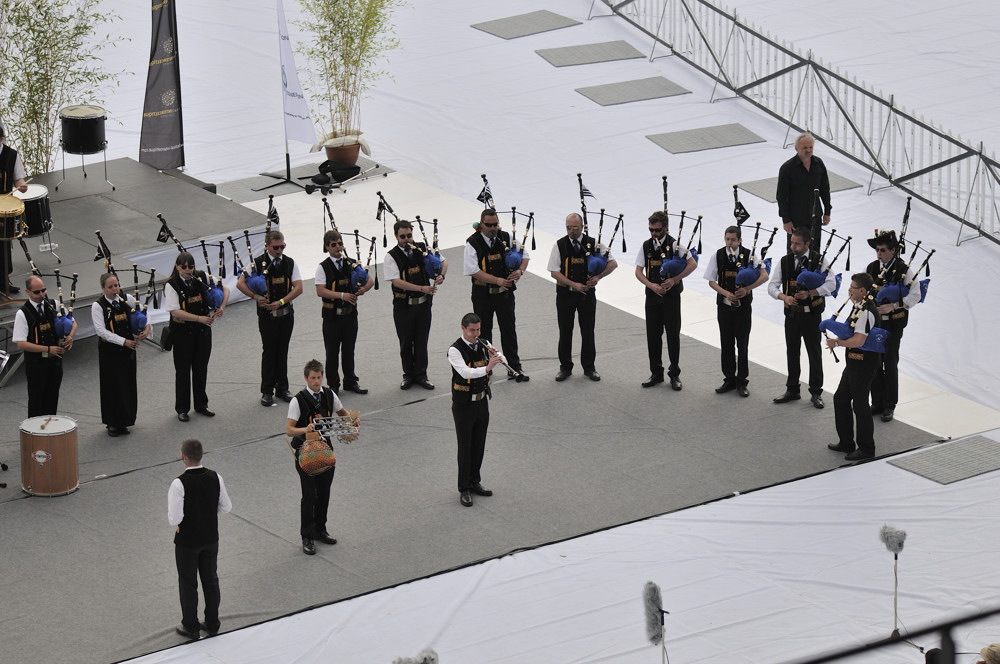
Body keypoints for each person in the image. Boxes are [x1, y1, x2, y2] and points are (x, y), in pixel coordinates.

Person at [286, 359, 360, 555]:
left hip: (325, 450)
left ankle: (320, 529)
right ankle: (307, 536)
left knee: (324, 492)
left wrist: (352, 420)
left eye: (319, 377)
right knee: (309, 495)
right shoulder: (297, 400)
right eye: (313, 378)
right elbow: (289, 430)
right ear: (306, 378)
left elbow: (343, 413)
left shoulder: (329, 394)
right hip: (305, 453)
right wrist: (305, 428)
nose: (317, 381)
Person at [167, 438, 233, 639]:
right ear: (201, 455)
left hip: (188, 541)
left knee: (188, 583)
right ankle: (213, 623)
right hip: (211, 537)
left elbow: (174, 519)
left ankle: (191, 626)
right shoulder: (216, 477)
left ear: (184, 457)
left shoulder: (179, 483)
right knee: (211, 579)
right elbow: (226, 507)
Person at [768, 226, 835, 409]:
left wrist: (811, 293)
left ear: (807, 243)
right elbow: (772, 286)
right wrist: (784, 297)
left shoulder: (819, 260)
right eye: (792, 243)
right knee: (792, 351)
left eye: (797, 244)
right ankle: (792, 389)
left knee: (814, 352)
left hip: (812, 315)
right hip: (792, 314)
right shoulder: (785, 261)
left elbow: (831, 284)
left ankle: (816, 391)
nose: (793, 247)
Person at [548, 212, 617, 382]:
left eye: (574, 227)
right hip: (565, 294)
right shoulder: (559, 245)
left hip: (587, 295)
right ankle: (565, 367)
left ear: (582, 227)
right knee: (565, 331)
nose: (571, 231)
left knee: (587, 331)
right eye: (568, 228)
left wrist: (599, 276)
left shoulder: (593, 244)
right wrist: (572, 284)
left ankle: (589, 367)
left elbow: (613, 263)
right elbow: (554, 271)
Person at [236, 230, 302, 407]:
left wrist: (281, 301)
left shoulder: (289, 263)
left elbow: (298, 287)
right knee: (269, 352)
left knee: (282, 351)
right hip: (267, 317)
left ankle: (282, 388)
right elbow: (240, 283)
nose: (280, 250)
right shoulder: (257, 263)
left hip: (286, 315)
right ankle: (267, 391)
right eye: (276, 247)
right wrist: (255, 297)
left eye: (282, 246)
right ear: (267, 246)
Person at [462, 208, 529, 382]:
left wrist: (520, 271)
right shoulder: (473, 242)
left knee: (509, 330)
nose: (493, 228)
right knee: (483, 332)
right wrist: (497, 280)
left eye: (495, 225)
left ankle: (514, 366)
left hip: (504, 295)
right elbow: (472, 270)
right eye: (489, 225)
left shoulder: (506, 237)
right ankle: (485, 368)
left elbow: (525, 255)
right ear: (481, 224)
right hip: (483, 295)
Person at [703, 225, 768, 397]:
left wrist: (747, 289)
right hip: (724, 306)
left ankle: (742, 381)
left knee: (742, 344)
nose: (729, 243)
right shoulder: (718, 255)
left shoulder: (749, 255)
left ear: (740, 240)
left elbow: (764, 275)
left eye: (733, 240)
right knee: (726, 343)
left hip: (743, 308)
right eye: (727, 239)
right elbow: (711, 280)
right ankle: (729, 379)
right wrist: (725, 293)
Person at [164, 252, 229, 422]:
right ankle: (182, 408)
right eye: (184, 267)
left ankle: (201, 405)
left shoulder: (201, 276)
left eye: (190, 266)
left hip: (202, 333)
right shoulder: (171, 285)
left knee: (201, 369)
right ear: (177, 266)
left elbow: (225, 289)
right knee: (183, 371)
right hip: (182, 333)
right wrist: (199, 318)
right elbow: (174, 311)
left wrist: (221, 307)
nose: (188, 270)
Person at [635, 210, 696, 390]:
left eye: (657, 230)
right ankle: (656, 372)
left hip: (671, 298)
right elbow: (638, 271)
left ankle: (674, 374)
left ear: (666, 227)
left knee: (672, 336)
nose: (654, 233)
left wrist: (674, 279)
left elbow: (692, 264)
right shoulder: (646, 245)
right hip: (652, 297)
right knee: (653, 336)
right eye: (651, 230)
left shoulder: (675, 245)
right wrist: (650, 285)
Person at [384, 220, 447, 390]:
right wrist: (421, 288)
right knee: (406, 342)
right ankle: (408, 375)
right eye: (402, 236)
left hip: (423, 305)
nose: (406, 239)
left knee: (421, 341)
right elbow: (396, 281)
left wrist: (441, 275)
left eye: (409, 235)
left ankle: (421, 374)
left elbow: (443, 261)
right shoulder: (391, 256)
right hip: (404, 307)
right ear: (396, 236)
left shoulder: (422, 248)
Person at [866, 230, 920, 423]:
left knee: (889, 363)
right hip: (875, 324)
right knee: (875, 362)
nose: (879, 254)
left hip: (894, 324)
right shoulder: (872, 267)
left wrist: (895, 305)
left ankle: (889, 405)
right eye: (877, 250)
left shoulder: (904, 270)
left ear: (893, 250)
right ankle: (877, 402)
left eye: (882, 250)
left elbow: (916, 295)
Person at [449, 313, 503, 507]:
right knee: (465, 446)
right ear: (463, 328)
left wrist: (496, 355)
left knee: (479, 443)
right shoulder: (455, 350)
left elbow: (500, 357)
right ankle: (464, 488)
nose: (476, 333)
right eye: (472, 330)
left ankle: (474, 481)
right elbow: (465, 372)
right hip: (464, 404)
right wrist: (488, 368)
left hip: (481, 401)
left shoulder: (483, 343)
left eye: (478, 329)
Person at [825, 273, 880, 461]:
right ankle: (846, 442)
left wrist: (837, 343)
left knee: (860, 405)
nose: (849, 290)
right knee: (841, 399)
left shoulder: (866, 312)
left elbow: (858, 340)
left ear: (863, 291)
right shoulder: (858, 307)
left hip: (864, 364)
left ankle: (867, 448)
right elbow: (850, 331)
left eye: (852, 287)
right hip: (854, 363)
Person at [91, 272, 150, 436]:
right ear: (103, 288)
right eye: (110, 287)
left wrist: (146, 329)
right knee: (112, 387)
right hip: (109, 352)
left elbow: (143, 314)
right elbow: (101, 331)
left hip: (127, 351)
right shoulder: (98, 306)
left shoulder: (127, 299)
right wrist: (123, 341)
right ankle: (112, 423)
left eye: (116, 285)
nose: (115, 289)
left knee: (127, 385)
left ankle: (125, 420)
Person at [315, 229, 373, 395]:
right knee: (332, 352)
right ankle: (333, 384)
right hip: (332, 317)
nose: (338, 247)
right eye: (334, 245)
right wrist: (342, 295)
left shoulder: (351, 263)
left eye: (340, 244)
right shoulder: (323, 267)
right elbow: (320, 290)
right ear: (327, 247)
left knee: (349, 350)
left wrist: (363, 289)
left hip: (350, 315)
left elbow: (369, 280)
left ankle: (350, 381)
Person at [13, 274, 76, 416]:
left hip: (55, 363)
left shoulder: (54, 304)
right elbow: (21, 344)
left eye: (43, 290)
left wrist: (70, 337)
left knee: (52, 400)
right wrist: (48, 349)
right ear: (27, 292)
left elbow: (73, 322)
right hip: (36, 364)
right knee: (36, 402)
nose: (41, 294)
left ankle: (50, 429)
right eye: (37, 292)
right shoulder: (23, 313)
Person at [776, 131, 831, 250]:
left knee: (814, 249)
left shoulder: (818, 164)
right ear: (796, 148)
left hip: (815, 217)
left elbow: (825, 189)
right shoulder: (787, 168)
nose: (808, 150)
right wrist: (786, 220)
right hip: (796, 219)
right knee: (795, 250)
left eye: (811, 147)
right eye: (805, 147)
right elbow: (781, 196)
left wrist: (827, 211)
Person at [1, 124, 28, 294]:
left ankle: (4, 279)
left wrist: (22, 185)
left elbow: (18, 179)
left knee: (4, 243)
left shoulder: (11, 155)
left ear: (1, 139)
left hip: (5, 207)